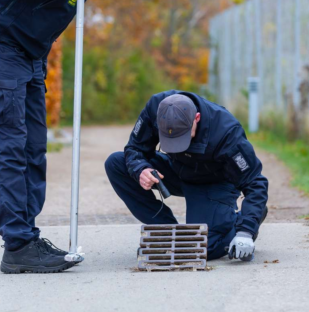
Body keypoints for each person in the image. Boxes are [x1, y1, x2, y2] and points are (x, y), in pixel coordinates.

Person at [0, 0, 140, 274]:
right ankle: (17, 244)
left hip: (31, 58)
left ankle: (27, 239)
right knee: (10, 147)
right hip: (1, 49)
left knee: (34, 148)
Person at [104, 91, 269, 261]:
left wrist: (246, 231)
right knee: (116, 163)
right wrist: (141, 169)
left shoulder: (226, 132)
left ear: (196, 118)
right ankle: (168, 232)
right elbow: (134, 148)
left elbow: (255, 182)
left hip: (213, 182)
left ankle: (244, 219)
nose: (176, 145)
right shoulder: (156, 108)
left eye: (182, 137)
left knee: (202, 249)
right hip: (175, 169)